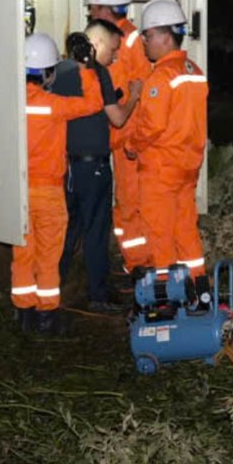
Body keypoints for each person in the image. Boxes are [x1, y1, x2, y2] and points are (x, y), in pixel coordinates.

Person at [117, 0, 210, 295]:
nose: (145, 41)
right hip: (187, 166)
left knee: (159, 232)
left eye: (149, 35)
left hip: (160, 168)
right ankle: (198, 285)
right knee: (186, 228)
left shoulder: (162, 76)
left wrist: (131, 144)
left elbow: (152, 125)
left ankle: (165, 297)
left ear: (167, 36)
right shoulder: (193, 70)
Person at [14, 32, 104, 334]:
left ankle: (23, 315)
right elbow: (94, 103)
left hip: (18, 191)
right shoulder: (54, 105)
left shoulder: (8, 106)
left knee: (23, 254)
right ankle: (47, 317)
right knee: (49, 256)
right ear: (48, 73)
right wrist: (86, 66)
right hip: (49, 192)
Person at [54, 20, 142, 311]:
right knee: (95, 231)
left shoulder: (59, 72)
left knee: (69, 229)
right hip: (94, 168)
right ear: (99, 44)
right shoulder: (97, 73)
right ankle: (98, 296)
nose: (115, 57)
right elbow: (116, 118)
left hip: (67, 168)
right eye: (113, 50)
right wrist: (135, 96)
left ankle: (51, 287)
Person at [87, 0, 153, 261]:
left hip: (127, 137)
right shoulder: (122, 38)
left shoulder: (128, 41)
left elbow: (138, 91)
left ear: (105, 9)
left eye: (93, 7)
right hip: (116, 137)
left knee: (130, 204)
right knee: (125, 203)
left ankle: (139, 265)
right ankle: (134, 262)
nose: (90, 12)